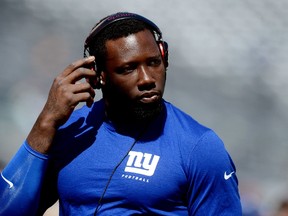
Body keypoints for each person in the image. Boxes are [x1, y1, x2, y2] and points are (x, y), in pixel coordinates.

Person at [0, 12, 242, 215]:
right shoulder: (69, 132)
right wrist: (46, 122)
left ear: (164, 57)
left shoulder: (200, 146)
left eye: (154, 63)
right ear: (98, 76)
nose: (147, 79)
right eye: (128, 69)